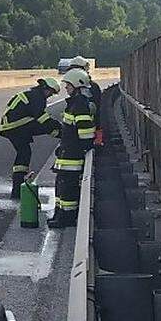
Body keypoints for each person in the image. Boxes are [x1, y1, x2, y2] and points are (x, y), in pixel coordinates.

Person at [0, 77, 61, 199]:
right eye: (51, 92)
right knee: (46, 128)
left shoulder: (33, 94)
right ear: (45, 88)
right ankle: (17, 189)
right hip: (17, 125)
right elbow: (42, 118)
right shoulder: (38, 98)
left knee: (24, 152)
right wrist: (60, 127)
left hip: (12, 126)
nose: (50, 95)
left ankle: (17, 189)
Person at [49, 68, 96, 228]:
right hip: (67, 155)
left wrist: (81, 148)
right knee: (62, 187)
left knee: (68, 190)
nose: (66, 88)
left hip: (72, 158)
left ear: (77, 85)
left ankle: (66, 219)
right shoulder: (74, 104)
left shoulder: (79, 105)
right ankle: (60, 215)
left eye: (68, 85)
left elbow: (86, 133)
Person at [68, 55, 102, 144]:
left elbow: (97, 111)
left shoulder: (91, 87)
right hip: (84, 130)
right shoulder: (93, 86)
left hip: (85, 131)